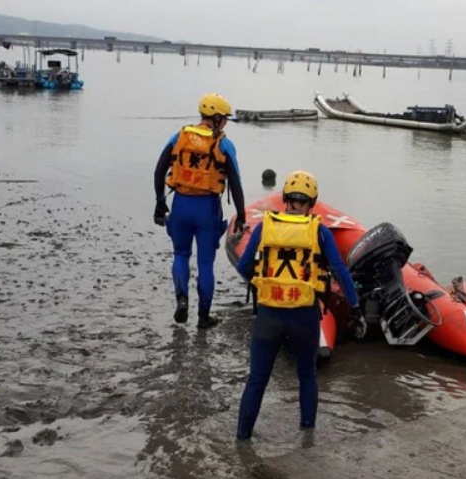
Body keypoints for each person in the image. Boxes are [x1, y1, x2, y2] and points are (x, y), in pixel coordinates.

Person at [234, 170, 367, 441]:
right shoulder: (319, 231)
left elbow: (246, 265)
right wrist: (355, 308)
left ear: (285, 199)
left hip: (269, 315)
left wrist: (263, 286)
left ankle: (242, 438)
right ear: (312, 202)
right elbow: (340, 271)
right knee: (307, 375)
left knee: (257, 379)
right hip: (304, 315)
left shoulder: (264, 226)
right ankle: (307, 438)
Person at [153, 93, 246, 329]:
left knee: (180, 255)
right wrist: (241, 215)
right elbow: (235, 183)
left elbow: (159, 171)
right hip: (207, 209)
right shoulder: (223, 144)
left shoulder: (180, 136)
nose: (225, 123)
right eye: (224, 119)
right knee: (205, 263)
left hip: (181, 206)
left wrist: (160, 202)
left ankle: (182, 299)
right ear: (215, 118)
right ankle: (203, 317)